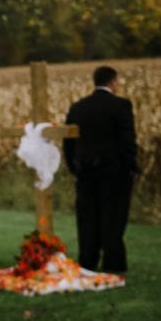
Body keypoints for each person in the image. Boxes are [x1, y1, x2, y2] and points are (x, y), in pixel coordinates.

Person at [63, 65, 139, 273]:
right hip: (114, 172)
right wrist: (130, 166)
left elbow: (68, 142)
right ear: (113, 82)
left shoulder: (78, 107)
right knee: (113, 218)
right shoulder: (121, 105)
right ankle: (113, 263)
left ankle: (87, 262)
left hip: (85, 172)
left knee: (88, 218)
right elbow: (127, 140)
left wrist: (73, 167)